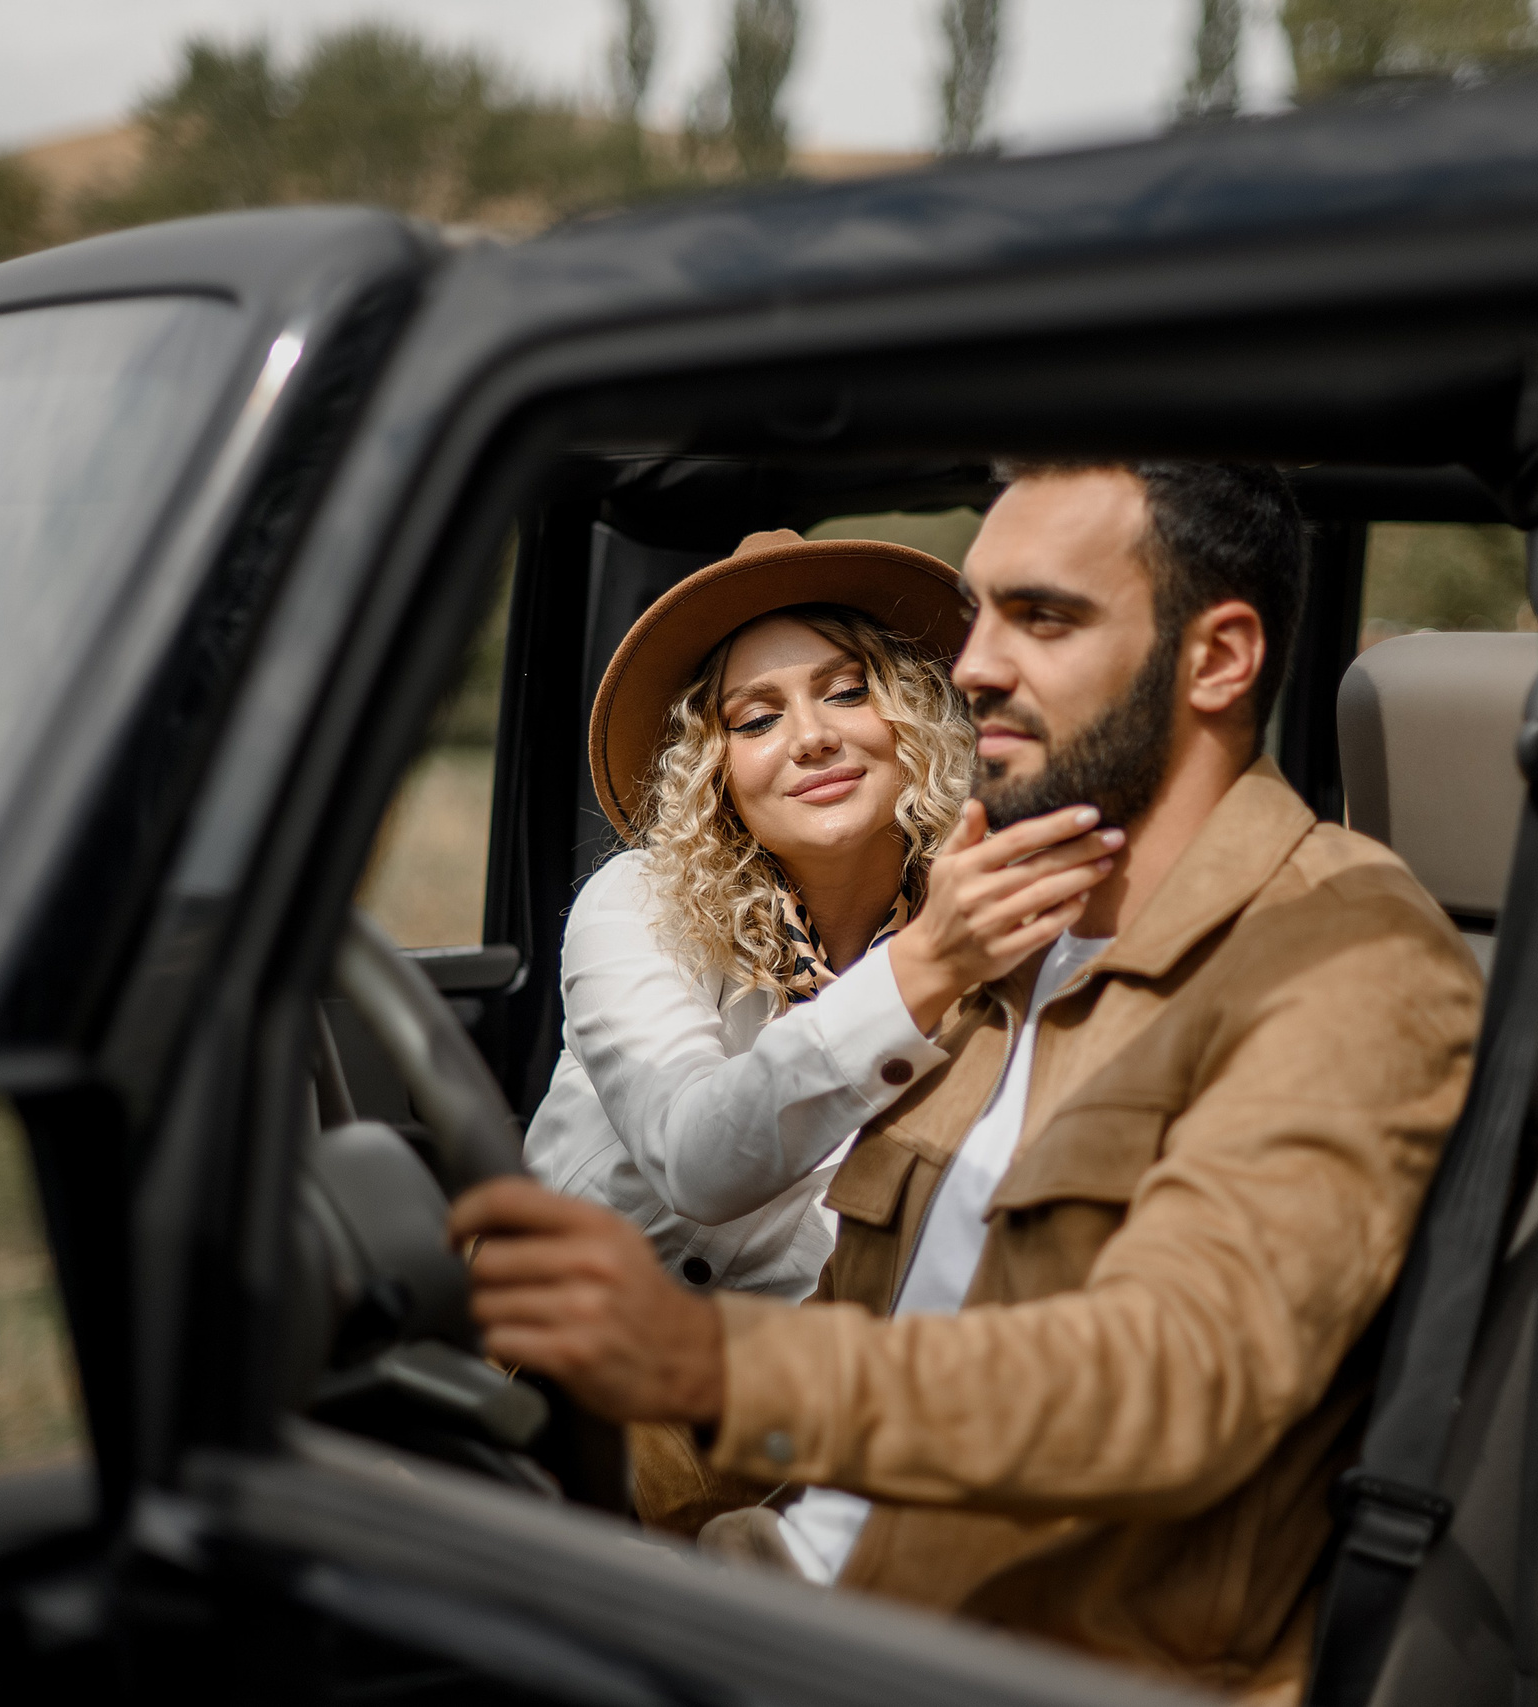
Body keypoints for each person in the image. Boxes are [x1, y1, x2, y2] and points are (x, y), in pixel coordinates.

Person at [459, 465, 1484, 1702]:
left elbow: (1172, 1382)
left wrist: (712, 1364)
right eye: (980, 616)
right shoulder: (1015, 940)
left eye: (1041, 618)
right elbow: (843, 1287)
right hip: (768, 1564)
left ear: (1217, 660)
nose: (976, 664)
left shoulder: (1335, 955)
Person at [528, 528, 1118, 1301]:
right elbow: (694, 1159)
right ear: (713, 771)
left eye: (847, 692)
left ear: (916, 719)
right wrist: (924, 968)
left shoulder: (997, 912)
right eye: (756, 719)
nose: (812, 738)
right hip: (584, 1342)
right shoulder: (637, 902)